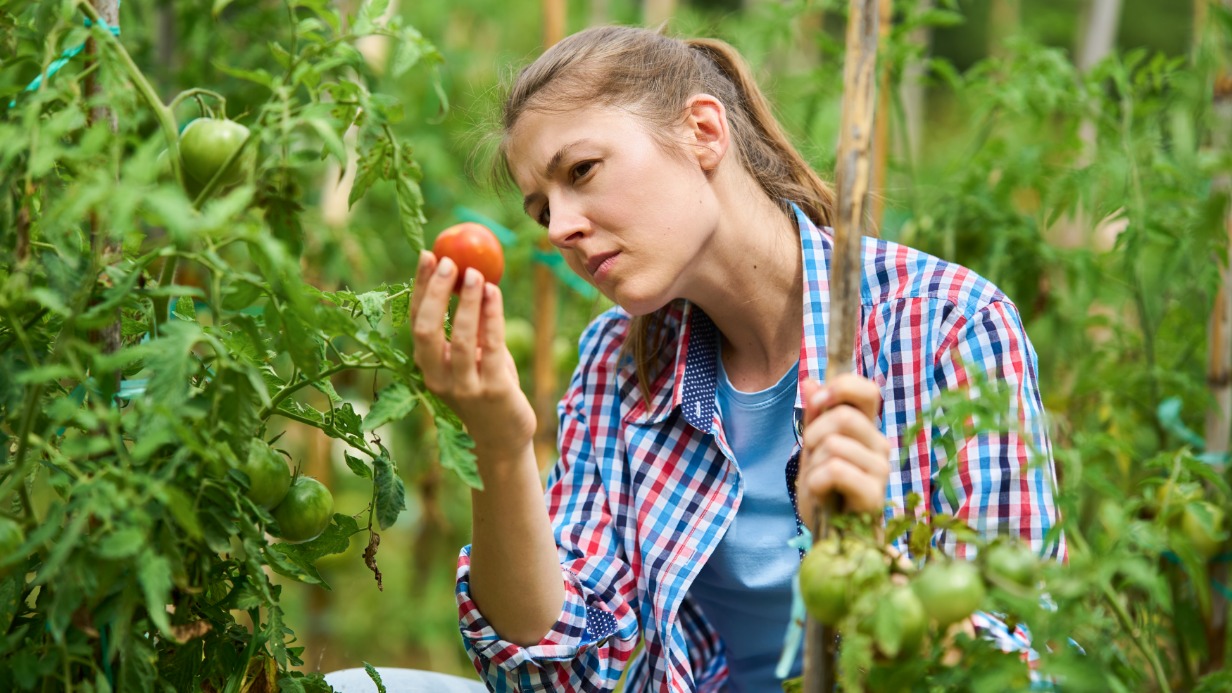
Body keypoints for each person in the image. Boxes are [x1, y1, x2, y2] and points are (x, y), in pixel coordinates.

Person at [405, 24, 1064, 692]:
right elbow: (557, 674)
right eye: (542, 210)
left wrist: (868, 561)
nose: (561, 228)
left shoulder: (945, 325)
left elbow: (1018, 665)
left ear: (703, 131)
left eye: (582, 171)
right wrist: (499, 445)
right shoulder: (618, 362)